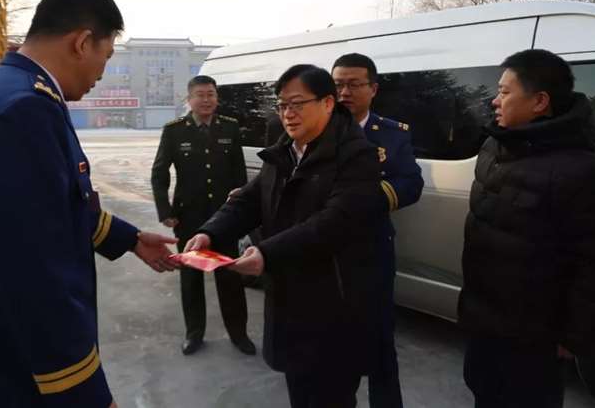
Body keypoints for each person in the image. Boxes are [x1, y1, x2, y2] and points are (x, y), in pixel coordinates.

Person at [0, 0, 178, 408]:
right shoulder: (25, 111)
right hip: (10, 375)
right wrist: (87, 395)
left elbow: (57, 208)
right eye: (106, 56)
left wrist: (130, 239)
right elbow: (36, 275)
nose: (103, 72)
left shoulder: (2, 91)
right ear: (81, 43)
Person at [185, 64, 383, 408]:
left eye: (297, 104)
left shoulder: (357, 156)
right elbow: (250, 200)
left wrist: (267, 254)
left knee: (331, 395)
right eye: (281, 105)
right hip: (290, 298)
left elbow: (334, 222)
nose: (288, 114)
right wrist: (210, 232)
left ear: (328, 103)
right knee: (299, 389)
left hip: (335, 303)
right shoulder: (285, 150)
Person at [458, 49, 595, 408]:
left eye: (504, 92)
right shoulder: (494, 146)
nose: (494, 101)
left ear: (540, 101)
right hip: (484, 324)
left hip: (534, 339)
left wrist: (574, 335)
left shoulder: (582, 171)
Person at [332, 53, 424, 408]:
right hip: (323, 251)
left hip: (372, 250)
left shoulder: (392, 134)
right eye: (338, 84)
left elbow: (411, 183)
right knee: (332, 344)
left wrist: (367, 200)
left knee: (380, 340)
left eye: (354, 84)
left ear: (373, 89)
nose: (345, 92)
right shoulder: (316, 129)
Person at [151, 75, 254, 356]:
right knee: (191, 278)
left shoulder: (230, 127)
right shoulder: (174, 131)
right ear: (189, 99)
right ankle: (194, 333)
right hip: (189, 217)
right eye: (200, 95)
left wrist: (241, 209)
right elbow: (159, 173)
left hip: (224, 217)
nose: (206, 100)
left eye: (211, 94)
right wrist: (165, 211)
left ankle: (239, 334)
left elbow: (239, 173)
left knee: (230, 275)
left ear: (217, 97)